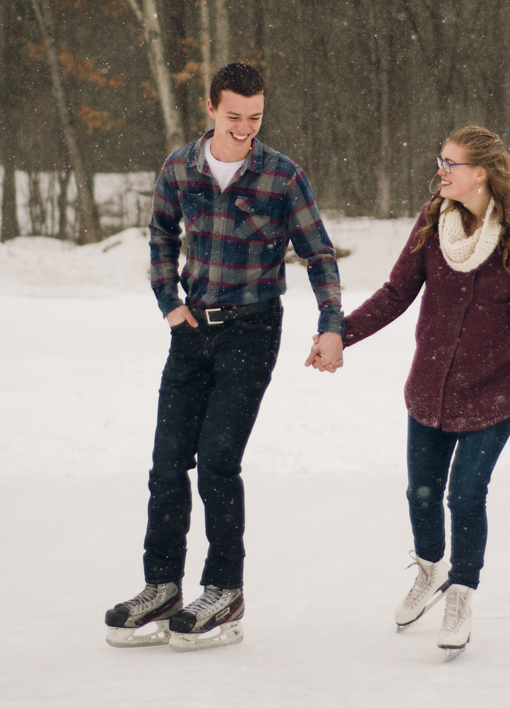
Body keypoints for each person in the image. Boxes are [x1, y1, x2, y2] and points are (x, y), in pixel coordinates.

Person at [104, 62, 345, 652]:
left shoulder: (283, 176)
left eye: (255, 117)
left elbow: (319, 256)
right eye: (233, 116)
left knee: (215, 460)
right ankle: (162, 586)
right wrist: (169, 303)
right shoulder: (179, 167)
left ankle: (224, 590)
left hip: (253, 330)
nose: (244, 128)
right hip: (191, 328)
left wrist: (331, 326)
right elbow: (161, 235)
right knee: (166, 463)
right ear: (210, 109)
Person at [307, 125, 510, 660]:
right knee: (421, 495)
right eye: (440, 160)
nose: (440, 170)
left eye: (451, 163)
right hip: (432, 387)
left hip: (495, 392)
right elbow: (397, 292)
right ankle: (429, 569)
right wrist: (339, 333)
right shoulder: (431, 222)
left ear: (481, 173)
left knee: (464, 495)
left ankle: (461, 591)